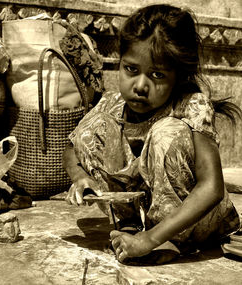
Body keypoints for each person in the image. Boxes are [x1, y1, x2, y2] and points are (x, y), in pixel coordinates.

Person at [62, 4, 241, 264]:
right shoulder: (112, 104)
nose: (140, 86)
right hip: (147, 219)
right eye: (131, 70)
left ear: (177, 77)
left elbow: (212, 188)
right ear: (121, 63)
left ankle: (166, 241)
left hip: (198, 224)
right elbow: (71, 148)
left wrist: (151, 239)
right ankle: (130, 227)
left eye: (157, 75)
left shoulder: (190, 105)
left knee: (165, 132)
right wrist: (81, 179)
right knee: (93, 128)